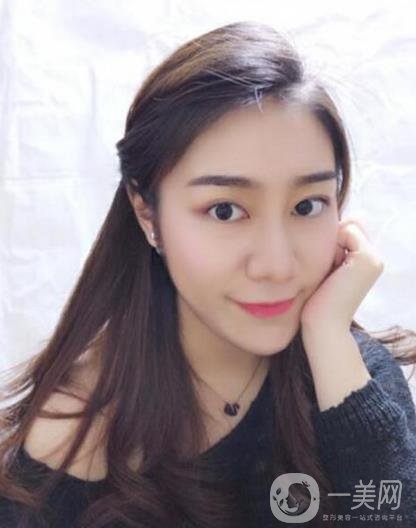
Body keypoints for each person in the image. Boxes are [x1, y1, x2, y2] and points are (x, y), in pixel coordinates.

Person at [0, 20, 415, 528]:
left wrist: (330, 338)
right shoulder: (68, 440)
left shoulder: (348, 373)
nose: (276, 265)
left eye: (307, 205)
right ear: (147, 214)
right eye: (225, 211)